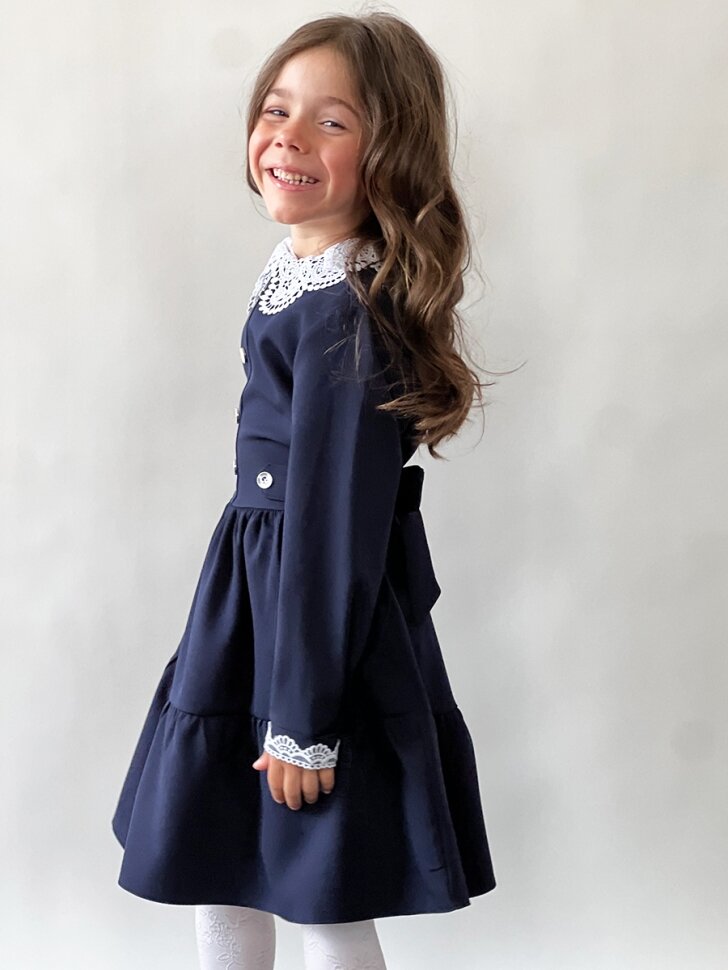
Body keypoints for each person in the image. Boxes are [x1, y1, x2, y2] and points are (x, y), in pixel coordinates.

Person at [111, 9, 497, 969]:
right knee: (222, 858)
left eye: (332, 122)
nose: (288, 137)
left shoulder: (345, 313)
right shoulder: (305, 272)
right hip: (251, 605)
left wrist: (304, 723)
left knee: (317, 881)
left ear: (389, 153)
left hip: (307, 626)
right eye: (277, 110)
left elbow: (336, 527)